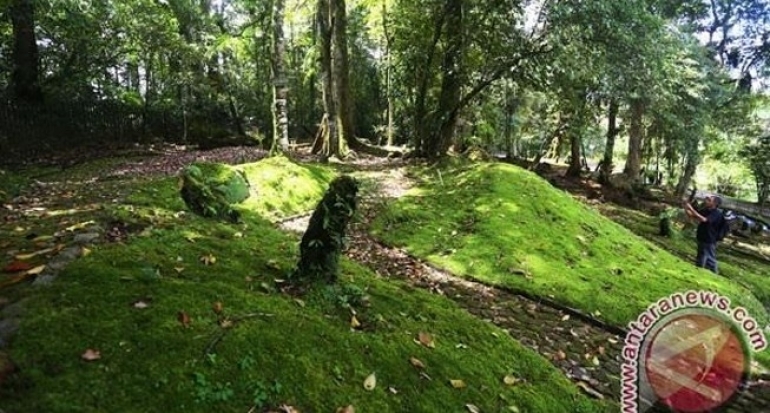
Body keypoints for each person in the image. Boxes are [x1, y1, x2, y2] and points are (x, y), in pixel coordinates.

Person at [683, 194, 724, 273]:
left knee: (710, 258)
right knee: (702, 255)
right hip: (702, 237)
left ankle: (714, 273)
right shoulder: (706, 210)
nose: (707, 201)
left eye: (709, 200)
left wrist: (691, 208)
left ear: (714, 204)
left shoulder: (717, 213)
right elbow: (693, 215)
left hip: (709, 239)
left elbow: (704, 220)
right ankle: (699, 271)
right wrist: (685, 206)